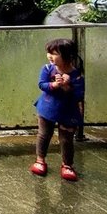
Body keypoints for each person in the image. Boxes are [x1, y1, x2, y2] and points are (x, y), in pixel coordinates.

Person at [30, 38, 85, 182]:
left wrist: (67, 86)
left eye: (54, 53)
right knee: (43, 135)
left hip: (68, 111)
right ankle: (40, 160)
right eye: (49, 53)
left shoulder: (77, 75)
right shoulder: (47, 69)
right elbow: (41, 85)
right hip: (47, 108)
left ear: (67, 55)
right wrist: (54, 85)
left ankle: (67, 165)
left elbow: (78, 95)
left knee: (66, 139)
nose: (50, 56)